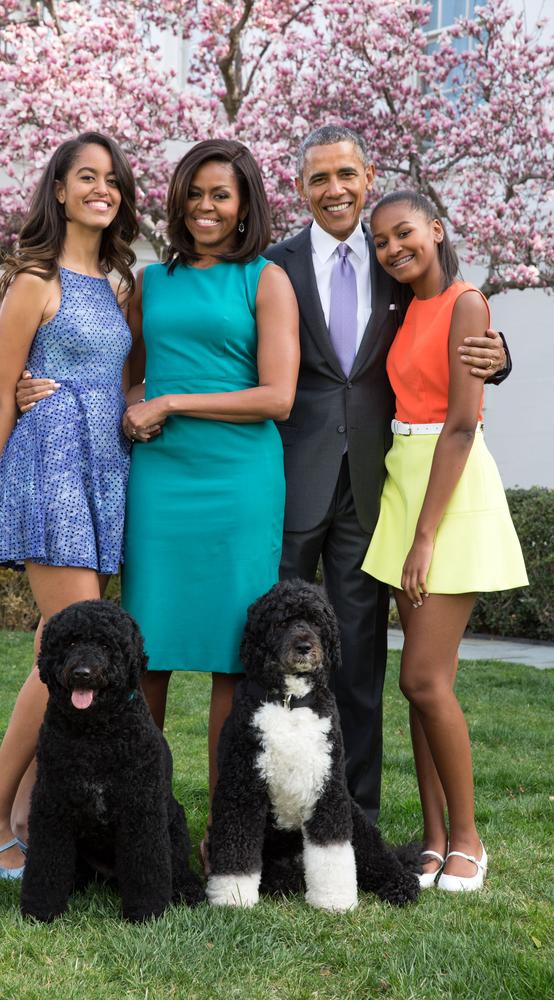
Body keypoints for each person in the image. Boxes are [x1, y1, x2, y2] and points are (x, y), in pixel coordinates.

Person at [264, 125, 510, 822]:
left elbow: (453, 325)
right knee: (271, 652)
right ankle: (276, 810)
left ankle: (356, 817)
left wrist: (500, 354)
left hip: (376, 491)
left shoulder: (395, 259)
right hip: (291, 480)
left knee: (361, 662)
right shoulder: (275, 266)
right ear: (301, 189)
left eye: (345, 174)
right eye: (318, 178)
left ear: (368, 177)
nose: (334, 189)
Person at [0, 131, 139, 878]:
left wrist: (140, 402)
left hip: (106, 467)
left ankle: (30, 810)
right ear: (60, 191)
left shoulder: (122, 283)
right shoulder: (34, 279)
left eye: (112, 179)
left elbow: (121, 378)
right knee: (66, 642)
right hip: (50, 466)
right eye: (86, 177)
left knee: (57, 643)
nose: (102, 189)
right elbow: (3, 392)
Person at [121, 139, 299, 867]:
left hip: (239, 482)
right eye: (194, 193)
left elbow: (278, 397)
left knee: (234, 661)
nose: (205, 207)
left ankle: (226, 839)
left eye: (220, 195)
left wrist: (173, 400)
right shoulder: (149, 282)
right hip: (162, 482)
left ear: (245, 203)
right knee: (144, 655)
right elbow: (126, 379)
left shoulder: (267, 280)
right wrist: (136, 401)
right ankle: (140, 834)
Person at [361, 190, 527, 890]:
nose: (394, 249)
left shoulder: (467, 301)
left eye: (405, 234)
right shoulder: (402, 307)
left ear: (437, 228)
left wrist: (424, 536)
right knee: (425, 686)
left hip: (447, 490)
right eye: (381, 242)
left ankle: (468, 839)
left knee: (421, 677)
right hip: (404, 479)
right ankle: (432, 840)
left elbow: (462, 423)